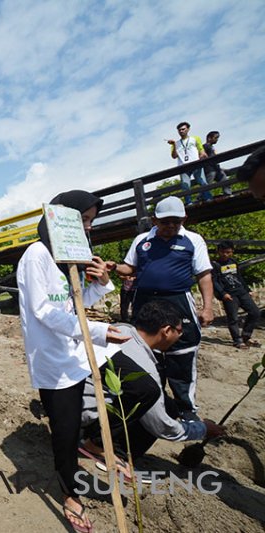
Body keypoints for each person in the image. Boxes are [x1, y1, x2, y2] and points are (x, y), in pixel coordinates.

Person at [16, 190, 128, 533]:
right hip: (52, 359)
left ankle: (93, 446)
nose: (87, 227)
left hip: (74, 351)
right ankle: (70, 493)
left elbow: (71, 303)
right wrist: (97, 331)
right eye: (82, 219)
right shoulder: (37, 255)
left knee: (118, 397)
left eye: (91, 221)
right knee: (63, 431)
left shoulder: (68, 256)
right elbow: (44, 311)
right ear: (60, 218)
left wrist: (102, 285)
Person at [82, 301, 225, 462]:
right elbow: (161, 425)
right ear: (167, 331)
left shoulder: (120, 330)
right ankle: (105, 448)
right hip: (87, 416)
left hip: (76, 403)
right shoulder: (145, 368)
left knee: (169, 405)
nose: (180, 336)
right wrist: (202, 429)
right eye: (179, 331)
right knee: (150, 394)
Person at [112, 196, 214, 417]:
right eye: (165, 221)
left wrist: (208, 307)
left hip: (178, 302)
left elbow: (204, 275)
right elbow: (129, 268)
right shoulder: (142, 240)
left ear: (184, 219)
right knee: (146, 353)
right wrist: (115, 267)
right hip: (146, 303)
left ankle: (186, 410)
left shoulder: (193, 240)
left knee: (182, 355)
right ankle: (153, 407)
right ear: (154, 220)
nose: (170, 226)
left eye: (175, 222)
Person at [212, 240, 261, 349]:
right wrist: (222, 293)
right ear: (218, 251)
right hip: (229, 295)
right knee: (233, 318)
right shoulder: (215, 265)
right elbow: (214, 281)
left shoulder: (233, 262)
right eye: (223, 252)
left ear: (232, 252)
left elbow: (239, 277)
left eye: (228, 252)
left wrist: (247, 289)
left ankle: (246, 335)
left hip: (241, 292)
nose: (225, 254)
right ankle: (237, 340)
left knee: (255, 312)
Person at [167, 121, 211, 204]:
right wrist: (174, 145)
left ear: (188, 129)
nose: (181, 131)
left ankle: (208, 198)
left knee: (202, 181)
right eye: (179, 130)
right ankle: (189, 202)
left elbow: (201, 150)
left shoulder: (195, 138)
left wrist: (202, 156)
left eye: (183, 129)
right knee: (185, 184)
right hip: (183, 166)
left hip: (196, 163)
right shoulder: (176, 143)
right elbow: (174, 156)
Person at [203, 131, 232, 196]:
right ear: (209, 138)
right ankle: (201, 196)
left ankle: (227, 193)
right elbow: (207, 157)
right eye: (215, 138)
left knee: (223, 177)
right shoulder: (206, 146)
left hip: (215, 168)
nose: (217, 140)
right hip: (209, 169)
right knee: (208, 184)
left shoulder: (211, 147)